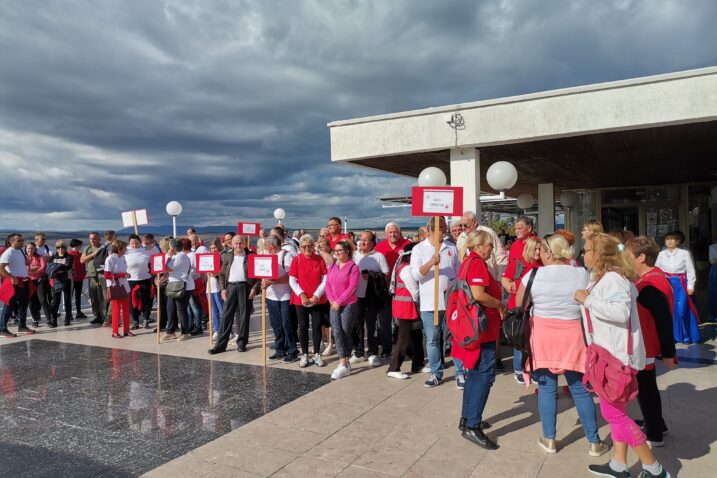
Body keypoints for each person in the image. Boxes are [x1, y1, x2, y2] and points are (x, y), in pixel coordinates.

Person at [575, 233, 670, 478]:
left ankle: (654, 468)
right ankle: (619, 464)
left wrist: (587, 300)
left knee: (614, 415)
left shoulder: (614, 279)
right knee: (616, 414)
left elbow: (620, 312)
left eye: (587, 250)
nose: (583, 254)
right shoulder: (605, 278)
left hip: (615, 358)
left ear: (600, 255)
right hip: (606, 354)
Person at [515, 234, 608, 456]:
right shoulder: (581, 273)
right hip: (574, 335)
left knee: (547, 388)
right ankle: (594, 442)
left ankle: (549, 439)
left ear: (547, 252)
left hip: (543, 336)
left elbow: (520, 304)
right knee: (580, 389)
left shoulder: (533, 274)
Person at [452, 231, 505, 449]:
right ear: (479, 246)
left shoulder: (468, 261)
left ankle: (468, 418)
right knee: (484, 376)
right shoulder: (476, 264)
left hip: (476, 328)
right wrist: (500, 305)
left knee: (474, 374)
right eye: (489, 245)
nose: (492, 248)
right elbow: (478, 294)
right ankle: (472, 425)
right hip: (482, 329)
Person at [626, 236, 677, 447]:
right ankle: (656, 423)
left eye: (628, 255)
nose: (624, 259)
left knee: (646, 389)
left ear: (641, 257)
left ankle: (654, 433)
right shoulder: (649, 278)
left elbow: (664, 321)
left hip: (647, 345)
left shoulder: (652, 283)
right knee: (647, 387)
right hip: (646, 343)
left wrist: (668, 353)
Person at [410, 217, 465, 388]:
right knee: (433, 340)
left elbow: (458, 271)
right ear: (430, 229)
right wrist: (431, 263)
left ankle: (460, 373)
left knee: (456, 338)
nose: (444, 230)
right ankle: (436, 373)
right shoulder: (419, 249)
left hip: (450, 302)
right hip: (429, 303)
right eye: (440, 227)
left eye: (444, 227)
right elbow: (416, 275)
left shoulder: (451, 247)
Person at [501, 236, 541, 383]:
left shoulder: (543, 265)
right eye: (535, 248)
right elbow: (505, 279)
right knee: (519, 339)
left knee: (534, 341)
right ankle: (518, 369)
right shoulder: (518, 263)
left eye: (540, 248)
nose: (538, 251)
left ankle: (533, 368)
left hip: (536, 309)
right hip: (518, 308)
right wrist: (512, 287)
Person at [210, 235, 259, 353]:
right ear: (232, 244)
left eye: (240, 243)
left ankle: (242, 343)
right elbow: (221, 275)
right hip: (231, 287)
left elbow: (259, 275)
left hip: (245, 288)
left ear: (245, 243)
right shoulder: (227, 256)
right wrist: (222, 289)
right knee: (226, 316)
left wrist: (255, 288)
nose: (238, 245)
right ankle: (220, 345)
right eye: (236, 243)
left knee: (243, 317)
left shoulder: (251, 256)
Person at [351, 231, 390, 366]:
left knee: (371, 325)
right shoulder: (354, 255)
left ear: (372, 243)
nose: (362, 242)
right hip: (355, 296)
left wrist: (372, 276)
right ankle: (359, 352)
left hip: (372, 296)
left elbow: (386, 275)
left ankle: (373, 353)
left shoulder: (379, 256)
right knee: (357, 325)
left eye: (366, 240)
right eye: (361, 239)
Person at [288, 234, 328, 367]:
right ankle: (304, 354)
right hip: (301, 300)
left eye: (310, 246)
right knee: (303, 326)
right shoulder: (296, 259)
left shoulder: (319, 259)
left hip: (317, 299)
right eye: (304, 246)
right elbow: (292, 280)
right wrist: (302, 294)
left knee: (317, 326)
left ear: (313, 246)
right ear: (300, 247)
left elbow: (325, 279)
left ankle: (317, 354)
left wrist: (316, 295)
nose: (307, 249)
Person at [386, 243, 424, 379]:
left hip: (407, 307)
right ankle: (394, 367)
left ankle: (418, 364)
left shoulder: (402, 267)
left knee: (416, 336)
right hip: (406, 307)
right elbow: (414, 291)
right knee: (404, 338)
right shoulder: (406, 269)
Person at [655, 230, 700, 343]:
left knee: (682, 309)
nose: (669, 241)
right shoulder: (661, 254)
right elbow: (657, 270)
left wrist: (691, 286)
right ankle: (674, 336)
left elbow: (690, 270)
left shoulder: (684, 253)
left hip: (681, 283)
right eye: (667, 239)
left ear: (678, 241)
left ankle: (687, 336)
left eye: (672, 239)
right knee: (670, 310)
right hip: (667, 283)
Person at [326, 239, 360, 379]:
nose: (337, 253)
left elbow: (352, 287)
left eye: (340, 250)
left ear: (347, 252)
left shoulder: (353, 267)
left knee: (346, 331)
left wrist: (339, 301)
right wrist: (332, 300)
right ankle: (342, 363)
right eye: (336, 250)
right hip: (334, 304)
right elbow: (328, 284)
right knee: (337, 332)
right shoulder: (333, 266)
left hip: (349, 304)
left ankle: (345, 362)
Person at [262, 235, 298, 361]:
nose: (265, 248)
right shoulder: (266, 257)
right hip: (271, 296)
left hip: (285, 296)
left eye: (266, 245)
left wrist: (271, 282)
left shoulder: (286, 255)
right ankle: (280, 349)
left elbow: (290, 275)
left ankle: (292, 350)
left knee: (287, 324)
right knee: (276, 324)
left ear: (271, 245)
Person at [0, 234, 35, 337]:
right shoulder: (8, 252)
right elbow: (1, 268)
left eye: (22, 240)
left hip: (24, 281)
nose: (22, 242)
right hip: (14, 283)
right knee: (9, 306)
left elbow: (21, 263)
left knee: (23, 305)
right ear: (12, 242)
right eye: (19, 241)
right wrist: (11, 278)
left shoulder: (19, 251)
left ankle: (22, 326)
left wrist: (26, 262)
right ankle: (2, 329)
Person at [162, 238, 193, 342]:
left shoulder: (180, 256)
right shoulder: (176, 256)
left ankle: (185, 332)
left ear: (172, 247)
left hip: (183, 286)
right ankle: (170, 331)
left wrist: (168, 256)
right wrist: (161, 280)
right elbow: (169, 272)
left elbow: (165, 268)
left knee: (181, 309)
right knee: (170, 309)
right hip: (173, 285)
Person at [104, 240, 133, 339]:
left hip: (125, 286)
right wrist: (122, 275)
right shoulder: (110, 259)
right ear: (119, 249)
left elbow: (123, 271)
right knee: (116, 310)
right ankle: (115, 331)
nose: (126, 250)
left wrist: (126, 274)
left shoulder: (123, 257)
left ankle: (126, 330)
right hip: (115, 287)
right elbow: (107, 275)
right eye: (124, 248)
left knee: (126, 309)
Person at [125, 234, 152, 329]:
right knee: (132, 301)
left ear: (140, 242)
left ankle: (146, 318)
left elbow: (153, 259)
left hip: (145, 278)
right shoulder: (125, 251)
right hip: (131, 280)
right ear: (129, 243)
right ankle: (135, 320)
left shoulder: (145, 250)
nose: (134, 245)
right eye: (132, 243)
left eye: (136, 242)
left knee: (146, 299)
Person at [81, 232, 107, 325]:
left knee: (102, 297)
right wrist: (93, 254)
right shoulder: (87, 248)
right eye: (91, 238)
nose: (92, 240)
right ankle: (97, 315)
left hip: (101, 276)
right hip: (91, 276)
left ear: (99, 239)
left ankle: (105, 316)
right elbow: (82, 260)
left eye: (94, 238)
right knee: (94, 297)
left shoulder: (104, 248)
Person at [187, 233, 208, 336]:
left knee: (194, 305)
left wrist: (202, 280)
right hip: (188, 282)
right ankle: (191, 324)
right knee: (189, 306)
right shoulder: (189, 254)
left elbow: (200, 269)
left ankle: (198, 325)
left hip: (194, 282)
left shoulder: (194, 254)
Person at [26, 242, 51, 328]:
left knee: (43, 299)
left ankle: (49, 319)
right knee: (31, 301)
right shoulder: (24, 258)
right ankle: (34, 320)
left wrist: (30, 270)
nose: (30, 250)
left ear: (35, 249)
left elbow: (43, 268)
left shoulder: (40, 257)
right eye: (28, 248)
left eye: (32, 248)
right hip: (29, 282)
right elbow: (24, 269)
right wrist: (33, 269)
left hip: (40, 281)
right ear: (26, 249)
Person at [316, 238, 334, 354]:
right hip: (318, 292)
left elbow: (332, 262)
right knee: (320, 319)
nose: (320, 248)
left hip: (329, 293)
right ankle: (321, 341)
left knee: (328, 319)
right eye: (319, 246)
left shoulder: (332, 257)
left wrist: (321, 251)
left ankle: (330, 342)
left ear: (328, 247)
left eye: (323, 246)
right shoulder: (317, 257)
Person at [49, 240, 74, 326]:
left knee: (67, 300)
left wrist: (57, 269)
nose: (60, 249)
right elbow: (50, 267)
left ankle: (67, 319)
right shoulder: (53, 257)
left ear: (65, 248)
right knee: (55, 301)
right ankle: (54, 320)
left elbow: (68, 266)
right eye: (58, 247)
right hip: (55, 281)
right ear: (56, 248)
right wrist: (58, 269)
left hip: (67, 280)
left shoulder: (69, 256)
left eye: (62, 247)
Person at [207, 239, 225, 340]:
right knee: (214, 310)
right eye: (211, 248)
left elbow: (224, 271)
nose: (213, 250)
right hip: (210, 285)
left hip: (218, 286)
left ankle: (226, 330)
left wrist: (217, 273)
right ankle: (217, 330)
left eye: (215, 248)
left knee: (221, 309)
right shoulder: (208, 257)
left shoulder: (222, 257)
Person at [68, 239, 87, 319]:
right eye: (80, 245)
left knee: (78, 296)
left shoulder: (80, 255)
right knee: (69, 296)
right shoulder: (69, 255)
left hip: (79, 278)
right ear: (77, 245)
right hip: (72, 279)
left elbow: (82, 266)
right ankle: (69, 313)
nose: (81, 247)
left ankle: (78, 312)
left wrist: (84, 274)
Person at [709, 239, 717, 323]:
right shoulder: (713, 247)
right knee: (715, 293)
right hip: (716, 271)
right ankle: (714, 315)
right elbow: (713, 261)